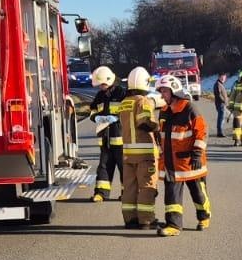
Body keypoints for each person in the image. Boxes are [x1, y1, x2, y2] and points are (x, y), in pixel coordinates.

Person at [156, 75, 211, 234]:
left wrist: (196, 154)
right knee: (171, 196)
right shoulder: (164, 111)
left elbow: (202, 133)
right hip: (171, 164)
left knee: (198, 194)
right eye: (161, 91)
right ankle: (173, 225)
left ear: (174, 91)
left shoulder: (189, 109)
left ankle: (204, 217)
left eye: (164, 91)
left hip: (190, 162)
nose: (162, 95)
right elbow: (163, 137)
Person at [113, 66, 161, 228]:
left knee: (129, 187)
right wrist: (158, 127)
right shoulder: (143, 101)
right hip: (144, 154)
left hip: (127, 153)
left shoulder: (124, 103)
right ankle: (146, 220)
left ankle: (130, 219)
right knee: (147, 186)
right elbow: (144, 122)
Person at [84, 65, 125, 201]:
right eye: (99, 85)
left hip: (120, 138)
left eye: (102, 84)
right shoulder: (100, 96)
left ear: (108, 81)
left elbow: (126, 112)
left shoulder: (121, 93)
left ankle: (127, 194)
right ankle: (101, 193)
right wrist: (96, 117)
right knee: (103, 167)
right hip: (105, 139)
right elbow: (93, 111)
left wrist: (116, 118)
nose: (100, 87)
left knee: (124, 167)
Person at [212, 72, 228, 137]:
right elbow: (218, 95)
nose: (223, 79)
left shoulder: (220, 84)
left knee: (221, 118)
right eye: (222, 77)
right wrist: (224, 101)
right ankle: (220, 132)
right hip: (220, 104)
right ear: (219, 77)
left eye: (224, 78)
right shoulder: (218, 84)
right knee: (221, 118)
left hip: (221, 103)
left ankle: (220, 131)